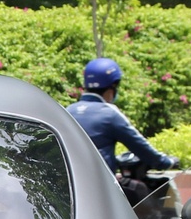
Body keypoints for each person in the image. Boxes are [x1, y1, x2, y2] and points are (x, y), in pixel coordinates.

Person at [67, 57, 178, 204]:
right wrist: (165, 162)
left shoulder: (68, 110)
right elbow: (139, 145)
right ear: (112, 87)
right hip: (100, 191)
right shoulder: (109, 113)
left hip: (69, 189)